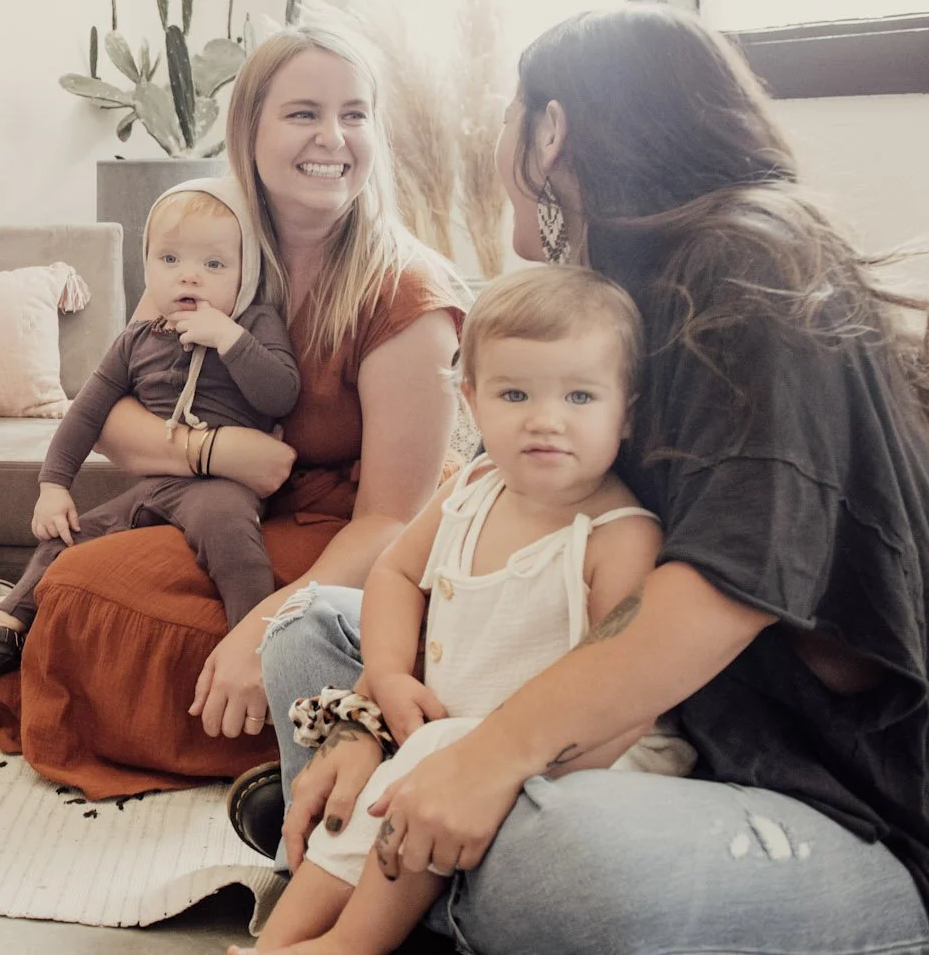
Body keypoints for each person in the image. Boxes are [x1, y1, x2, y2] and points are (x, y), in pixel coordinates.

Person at [261, 3, 929, 953]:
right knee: (311, 633)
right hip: (649, 733)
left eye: (508, 115)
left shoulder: (749, 264)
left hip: (819, 801)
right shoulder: (636, 283)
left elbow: (724, 589)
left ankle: (379, 859)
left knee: (569, 876)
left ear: (552, 127)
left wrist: (488, 755)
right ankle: (402, 845)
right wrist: (370, 713)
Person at [0, 24, 463, 799]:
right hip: (237, 503)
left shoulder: (405, 294)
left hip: (353, 536)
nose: (333, 137)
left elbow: (391, 521)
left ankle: (305, 713)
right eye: (303, 114)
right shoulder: (213, 248)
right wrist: (219, 454)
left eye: (355, 115)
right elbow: (117, 419)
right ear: (248, 128)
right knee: (76, 581)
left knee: (97, 602)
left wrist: (267, 628)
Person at [254, 266, 687, 953]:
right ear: (471, 401)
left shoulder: (619, 536)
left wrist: (481, 762)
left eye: (580, 395)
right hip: (452, 737)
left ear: (626, 412)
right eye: (515, 393)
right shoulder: (477, 486)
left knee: (423, 758)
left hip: (592, 763)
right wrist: (389, 678)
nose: (546, 419)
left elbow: (627, 703)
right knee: (374, 743)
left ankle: (353, 943)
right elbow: (396, 571)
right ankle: (280, 937)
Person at [0, 179, 297, 684]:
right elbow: (85, 413)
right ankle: (5, 623)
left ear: (245, 273)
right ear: (147, 266)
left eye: (214, 264)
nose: (191, 276)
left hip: (224, 487)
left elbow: (282, 394)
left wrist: (230, 339)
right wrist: (53, 487)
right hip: (156, 483)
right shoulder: (136, 340)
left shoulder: (254, 322)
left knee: (229, 533)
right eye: (169, 260)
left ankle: (251, 650)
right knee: (68, 535)